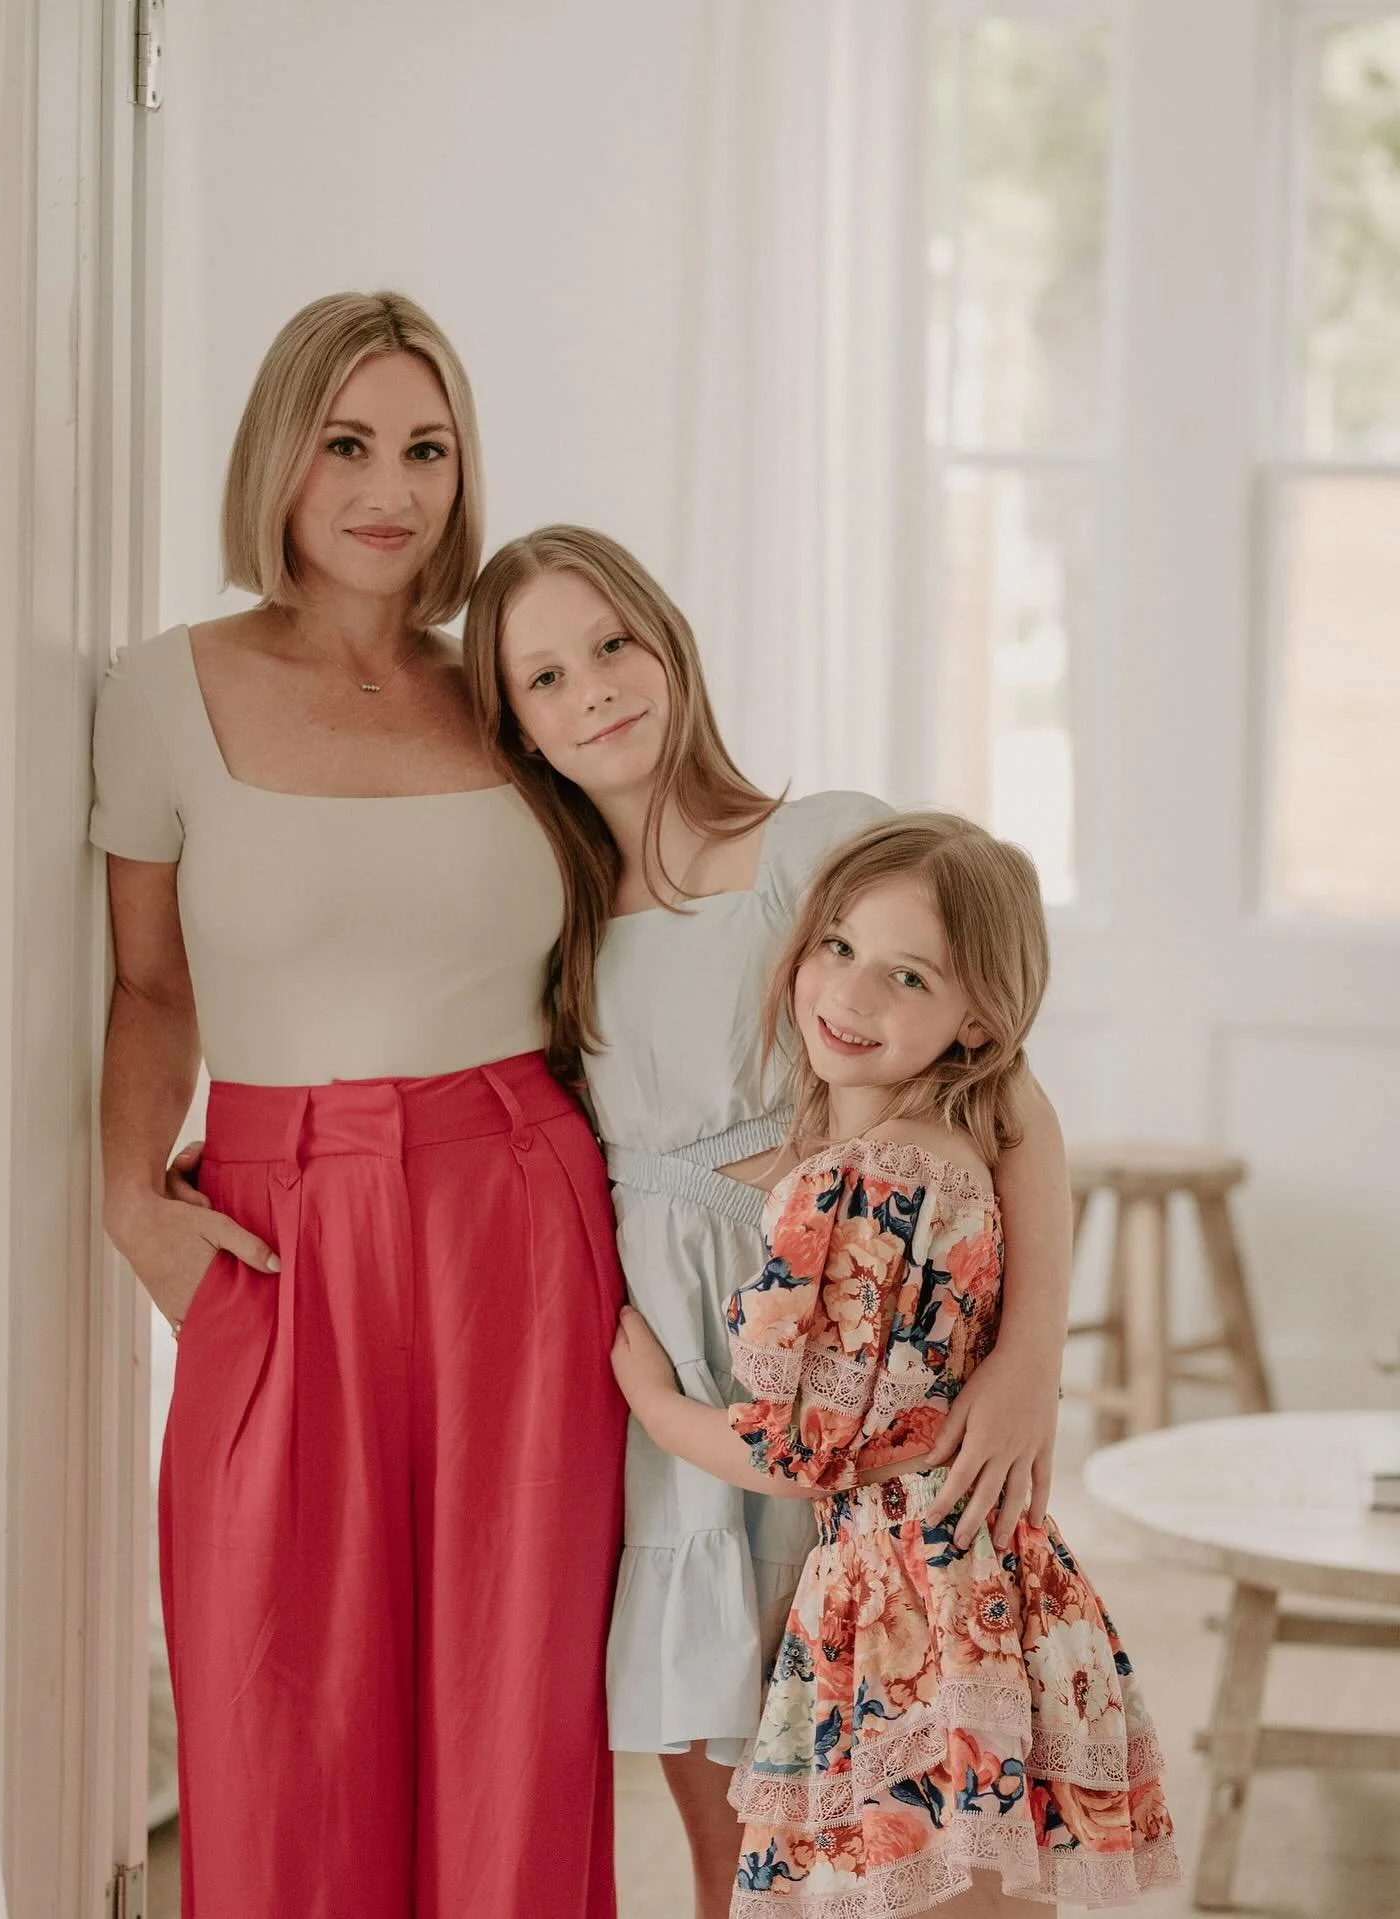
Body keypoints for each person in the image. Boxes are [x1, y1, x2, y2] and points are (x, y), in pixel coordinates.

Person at [92, 294, 626, 1919]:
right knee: (279, 1713)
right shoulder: (157, 690)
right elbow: (152, 986)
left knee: (513, 1715)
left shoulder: (515, 688)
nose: (388, 488)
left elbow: (656, 915)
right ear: (283, 454)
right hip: (277, 1219)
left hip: (519, 1216)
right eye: (347, 443)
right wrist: (132, 1199)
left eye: (425, 447)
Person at [463, 531, 1075, 1916]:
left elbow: (1016, 1103)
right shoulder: (548, 901)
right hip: (670, 1373)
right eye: (545, 674)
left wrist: (1030, 1356)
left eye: (613, 644)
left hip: (824, 1337)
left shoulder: (810, 844)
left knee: (889, 1744)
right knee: (736, 1798)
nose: (595, 690)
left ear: (670, 642)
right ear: (514, 721)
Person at [611, 813, 1181, 1914]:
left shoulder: (861, 1185)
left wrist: (655, 1402)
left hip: (910, 1598)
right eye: (838, 945)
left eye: (905, 974)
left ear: (976, 1020)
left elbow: (802, 1451)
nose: (854, 993)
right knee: (989, 1891)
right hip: (989, 1575)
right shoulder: (948, 1149)